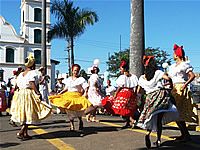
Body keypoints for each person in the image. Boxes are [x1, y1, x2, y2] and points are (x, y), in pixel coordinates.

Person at [136, 56, 179, 148]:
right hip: (160, 97)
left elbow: (138, 91)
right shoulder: (158, 72)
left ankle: (148, 133)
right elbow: (167, 78)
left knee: (149, 118)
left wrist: (140, 99)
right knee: (159, 120)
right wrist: (171, 85)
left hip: (150, 98)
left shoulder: (142, 78)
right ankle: (158, 140)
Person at [10, 54, 52, 140]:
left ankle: (25, 134)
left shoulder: (21, 74)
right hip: (28, 94)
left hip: (20, 94)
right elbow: (32, 83)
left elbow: (16, 86)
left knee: (24, 113)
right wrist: (37, 93)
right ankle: (21, 132)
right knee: (29, 113)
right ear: (33, 64)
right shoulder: (32, 73)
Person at [48, 64, 92, 131]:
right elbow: (66, 88)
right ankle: (72, 125)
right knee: (69, 111)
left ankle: (80, 121)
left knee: (78, 111)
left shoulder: (81, 79)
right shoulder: (68, 79)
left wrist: (86, 93)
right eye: (74, 70)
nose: (75, 72)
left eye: (77, 71)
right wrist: (60, 93)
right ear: (72, 70)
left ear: (79, 71)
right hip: (69, 96)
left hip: (77, 96)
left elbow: (86, 87)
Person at [168, 44, 197, 142]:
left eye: (174, 53)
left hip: (181, 87)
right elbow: (171, 79)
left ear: (177, 55)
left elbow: (192, 76)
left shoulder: (184, 64)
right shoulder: (172, 66)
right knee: (175, 112)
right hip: (174, 89)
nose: (173, 55)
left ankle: (185, 135)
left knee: (178, 112)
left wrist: (185, 84)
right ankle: (184, 134)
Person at [101, 60, 138, 128]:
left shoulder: (122, 77)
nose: (120, 70)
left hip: (124, 93)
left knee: (119, 107)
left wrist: (115, 94)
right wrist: (135, 94)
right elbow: (136, 86)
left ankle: (132, 120)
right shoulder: (134, 77)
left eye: (120, 69)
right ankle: (128, 122)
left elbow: (119, 87)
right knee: (128, 109)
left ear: (124, 69)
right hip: (131, 93)